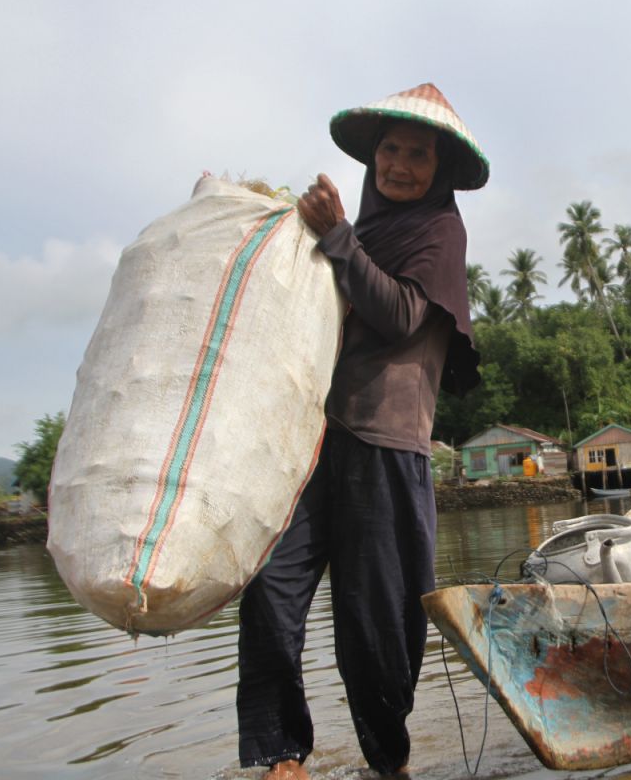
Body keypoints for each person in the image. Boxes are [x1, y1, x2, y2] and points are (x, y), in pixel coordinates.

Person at [235, 83, 487, 780]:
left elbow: (402, 315)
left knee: (375, 623)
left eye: (416, 154)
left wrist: (338, 236)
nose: (399, 164)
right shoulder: (359, 235)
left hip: (385, 445)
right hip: (318, 441)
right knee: (270, 584)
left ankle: (388, 762)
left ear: (439, 171)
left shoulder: (439, 233)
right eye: (389, 149)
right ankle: (282, 756)